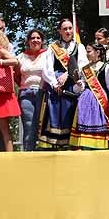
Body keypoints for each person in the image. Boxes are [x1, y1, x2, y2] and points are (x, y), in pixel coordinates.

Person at [38, 18, 88, 148]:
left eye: (70, 28)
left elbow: (82, 66)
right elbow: (47, 68)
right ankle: (53, 144)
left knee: (70, 112)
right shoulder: (52, 47)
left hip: (72, 84)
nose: (68, 31)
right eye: (65, 29)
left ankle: (70, 144)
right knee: (54, 113)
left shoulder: (79, 47)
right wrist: (55, 84)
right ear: (60, 31)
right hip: (56, 86)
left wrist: (68, 74)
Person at [69, 43, 109, 149]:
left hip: (99, 102)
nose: (87, 54)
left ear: (98, 52)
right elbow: (80, 88)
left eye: (89, 51)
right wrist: (79, 84)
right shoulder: (85, 68)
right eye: (86, 51)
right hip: (85, 101)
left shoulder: (106, 67)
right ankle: (85, 146)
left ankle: (98, 145)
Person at [16, 29, 48, 151]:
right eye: (32, 38)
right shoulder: (21, 57)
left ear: (42, 41)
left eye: (38, 38)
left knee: (42, 125)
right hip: (25, 93)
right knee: (29, 125)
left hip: (43, 93)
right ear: (28, 41)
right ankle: (28, 154)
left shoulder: (47, 54)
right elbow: (16, 75)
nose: (35, 40)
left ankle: (43, 154)